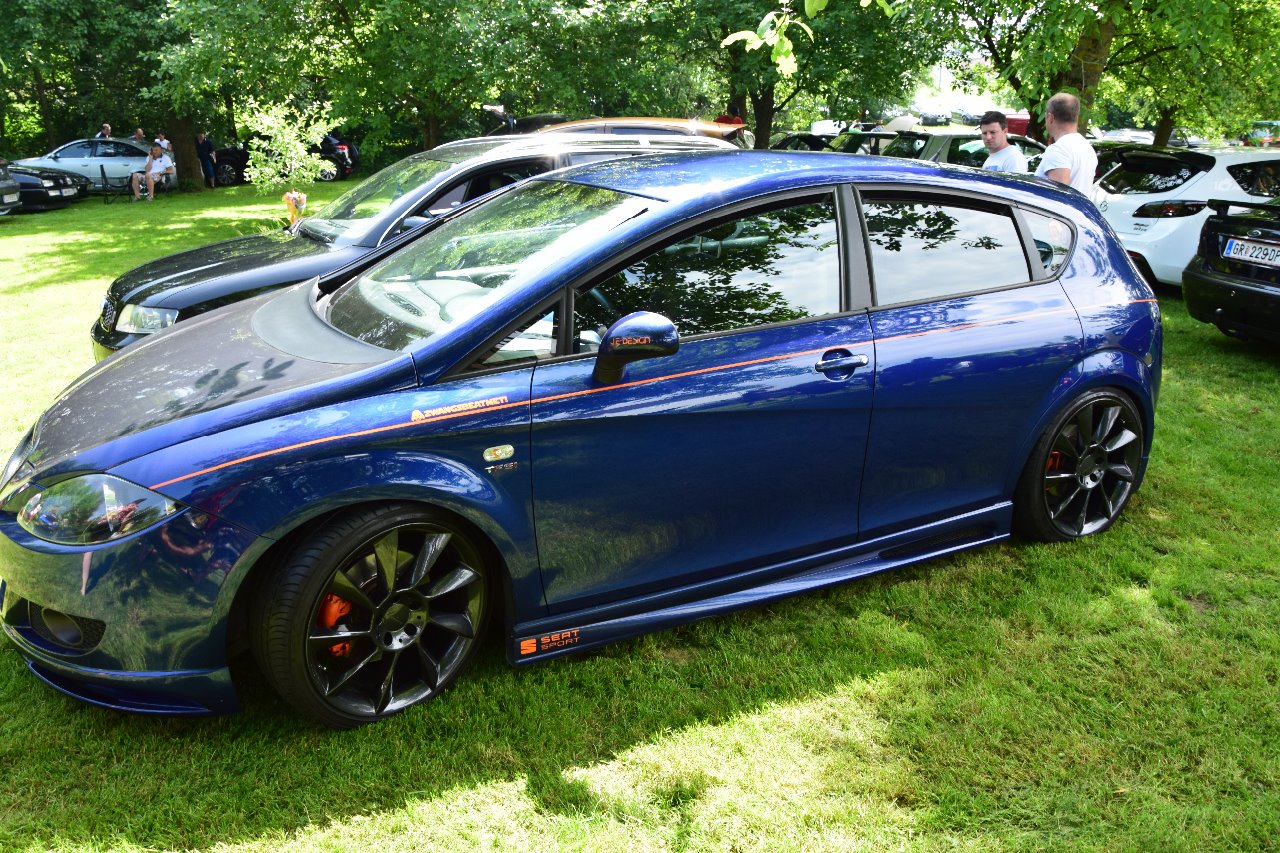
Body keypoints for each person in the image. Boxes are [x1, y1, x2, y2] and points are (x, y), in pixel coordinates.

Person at [1035, 92, 1098, 194]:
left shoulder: (1059, 150)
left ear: (1050, 118)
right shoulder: (1087, 148)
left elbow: (1057, 196)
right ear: (1076, 117)